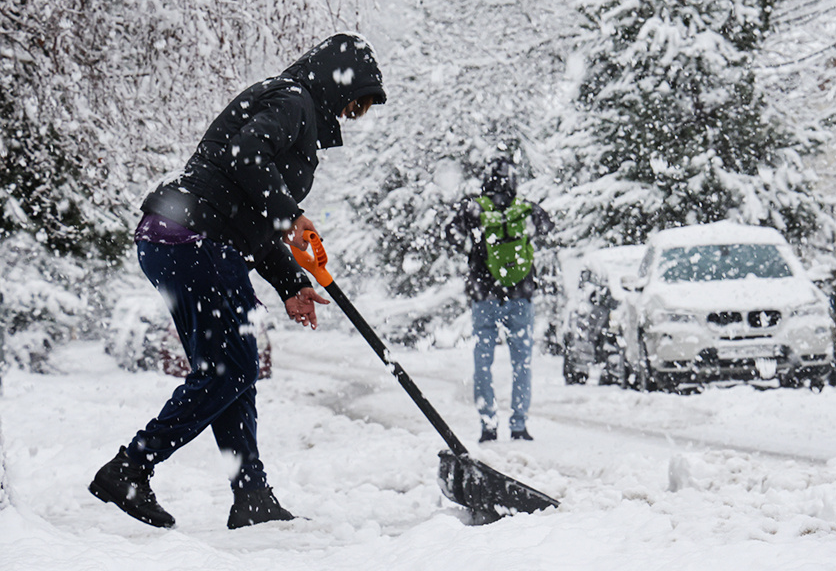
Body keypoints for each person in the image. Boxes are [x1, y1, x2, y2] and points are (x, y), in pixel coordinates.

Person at [88, 33, 386, 529]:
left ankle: (251, 496)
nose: (350, 114)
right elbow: (246, 154)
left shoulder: (291, 104)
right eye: (354, 102)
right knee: (231, 369)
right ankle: (130, 467)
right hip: (195, 240)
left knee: (230, 369)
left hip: (178, 239)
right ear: (338, 83)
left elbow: (249, 214)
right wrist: (290, 216)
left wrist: (291, 284)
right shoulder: (294, 101)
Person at [445, 158, 555, 442]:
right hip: (520, 294)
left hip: (485, 295)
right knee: (522, 363)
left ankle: (488, 423)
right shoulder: (525, 208)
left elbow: (451, 234)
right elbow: (546, 226)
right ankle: (519, 424)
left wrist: (473, 252)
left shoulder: (474, 208)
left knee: (483, 362)